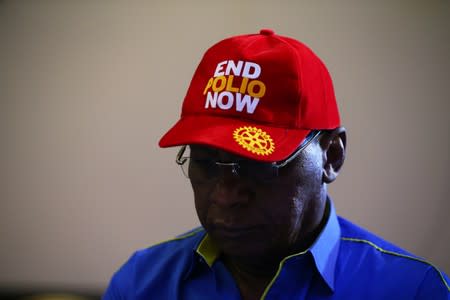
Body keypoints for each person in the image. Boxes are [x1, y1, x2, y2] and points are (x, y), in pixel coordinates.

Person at [103, 29, 449, 299]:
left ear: (332, 155)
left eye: (257, 165)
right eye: (207, 164)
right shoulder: (139, 286)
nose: (225, 196)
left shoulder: (414, 291)